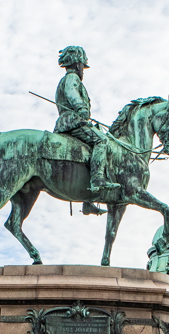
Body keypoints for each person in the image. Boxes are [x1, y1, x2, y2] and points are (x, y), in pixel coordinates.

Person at [54, 45, 118, 216]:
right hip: (72, 122)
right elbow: (71, 92)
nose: (83, 70)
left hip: (70, 122)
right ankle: (97, 180)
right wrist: (81, 107)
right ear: (77, 64)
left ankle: (88, 201)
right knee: (101, 141)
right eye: (83, 66)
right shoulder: (72, 78)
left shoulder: (69, 77)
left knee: (88, 154)